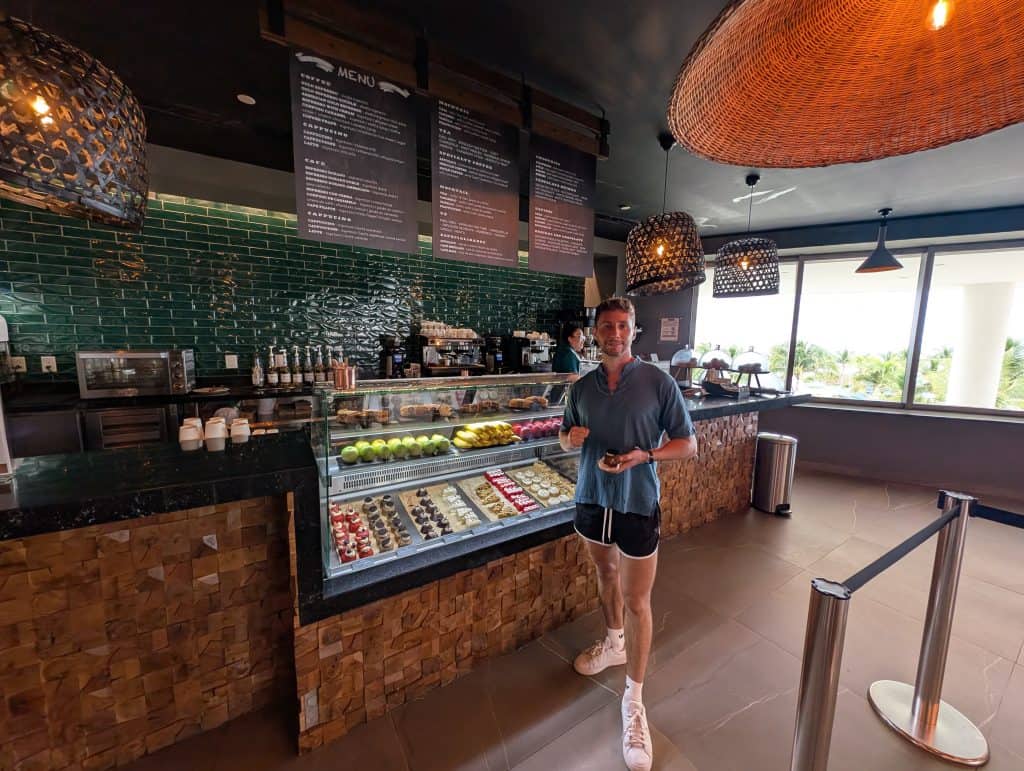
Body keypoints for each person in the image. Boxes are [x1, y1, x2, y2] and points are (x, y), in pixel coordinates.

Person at [558, 296, 697, 771]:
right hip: (592, 497)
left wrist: (646, 456)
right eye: (606, 327)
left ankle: (634, 703)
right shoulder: (581, 387)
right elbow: (564, 434)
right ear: (595, 333)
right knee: (604, 573)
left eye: (622, 326)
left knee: (638, 599)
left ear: (633, 331)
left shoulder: (658, 382)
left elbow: (687, 444)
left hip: (638, 502)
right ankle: (614, 643)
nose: (614, 334)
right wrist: (569, 439)